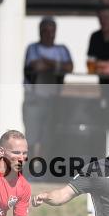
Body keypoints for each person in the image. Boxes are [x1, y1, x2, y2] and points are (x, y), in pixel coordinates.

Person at [22, 17, 73, 158]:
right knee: (32, 136)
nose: (49, 34)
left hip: (54, 98)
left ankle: (44, 168)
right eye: (45, 31)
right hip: (34, 98)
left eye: (52, 31)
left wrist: (47, 62)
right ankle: (30, 167)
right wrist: (57, 65)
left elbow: (69, 66)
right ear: (40, 31)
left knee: (49, 135)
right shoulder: (33, 48)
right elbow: (36, 66)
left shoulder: (61, 49)